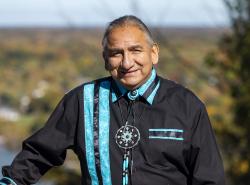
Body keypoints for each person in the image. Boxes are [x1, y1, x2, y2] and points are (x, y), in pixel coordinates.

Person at [0, 15, 225, 185]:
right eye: (116, 53)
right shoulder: (82, 102)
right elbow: (37, 155)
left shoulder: (186, 106)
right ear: (106, 59)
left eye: (136, 50)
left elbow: (209, 178)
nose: (127, 63)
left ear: (154, 53)